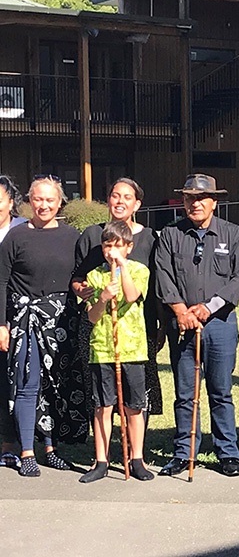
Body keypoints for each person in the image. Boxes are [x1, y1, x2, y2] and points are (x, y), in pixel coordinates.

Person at [155, 174, 239, 477]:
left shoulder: (233, 234)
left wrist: (209, 308)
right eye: (189, 198)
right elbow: (163, 275)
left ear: (214, 202)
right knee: (186, 393)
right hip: (181, 324)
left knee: (221, 391)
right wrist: (181, 310)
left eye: (201, 198)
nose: (195, 203)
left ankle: (228, 452)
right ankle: (184, 452)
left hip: (219, 324)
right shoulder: (170, 235)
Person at [0, 176, 88, 477]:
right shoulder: (16, 236)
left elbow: (80, 277)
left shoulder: (72, 236)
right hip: (24, 320)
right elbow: (1, 282)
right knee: (27, 386)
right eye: (38, 199)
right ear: (28, 201)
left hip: (61, 321)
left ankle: (51, 448)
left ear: (59, 202)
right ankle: (26, 452)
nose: (44, 205)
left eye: (50, 200)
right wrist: (1, 325)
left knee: (55, 385)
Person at [71, 178, 163, 420]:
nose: (120, 201)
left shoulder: (151, 239)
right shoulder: (92, 235)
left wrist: (162, 324)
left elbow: (156, 286)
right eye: (115, 195)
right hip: (99, 327)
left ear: (137, 205)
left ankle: (136, 453)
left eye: (127, 197)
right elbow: (78, 277)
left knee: (138, 392)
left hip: (138, 327)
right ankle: (103, 451)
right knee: (102, 394)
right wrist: (80, 288)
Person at [79, 221, 154, 483]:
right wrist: (102, 298)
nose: (112, 251)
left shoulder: (139, 270)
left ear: (129, 247)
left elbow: (132, 296)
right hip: (102, 349)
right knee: (103, 406)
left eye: (118, 246)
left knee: (134, 406)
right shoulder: (94, 276)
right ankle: (101, 460)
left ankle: (137, 459)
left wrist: (122, 267)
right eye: (108, 246)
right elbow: (91, 317)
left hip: (132, 349)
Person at [0, 175, 27, 469]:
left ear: (10, 202)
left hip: (16, 315)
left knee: (11, 381)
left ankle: (12, 443)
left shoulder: (23, 231)